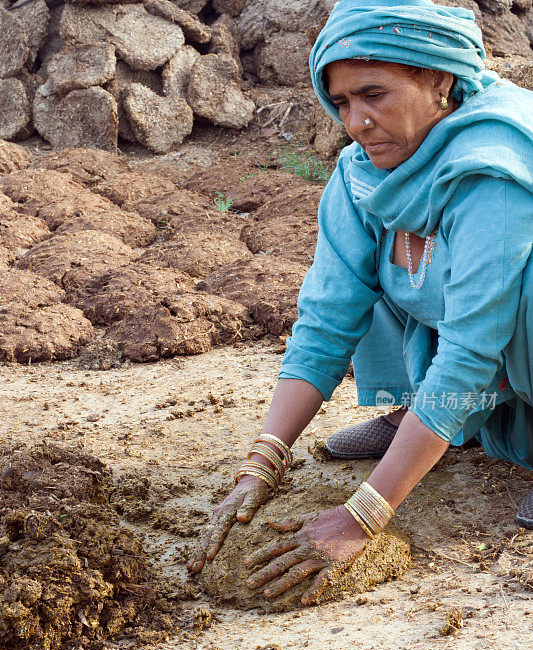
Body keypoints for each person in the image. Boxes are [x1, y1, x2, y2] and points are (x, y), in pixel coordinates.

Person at [188, 0, 533, 605]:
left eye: (374, 94)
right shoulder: (363, 175)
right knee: (380, 273)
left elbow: (472, 349)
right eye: (342, 102)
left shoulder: (493, 172)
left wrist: (364, 514)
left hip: (497, 340)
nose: (356, 121)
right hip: (479, 362)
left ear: (438, 81)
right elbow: (325, 318)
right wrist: (263, 461)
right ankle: (420, 414)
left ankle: (448, 423)